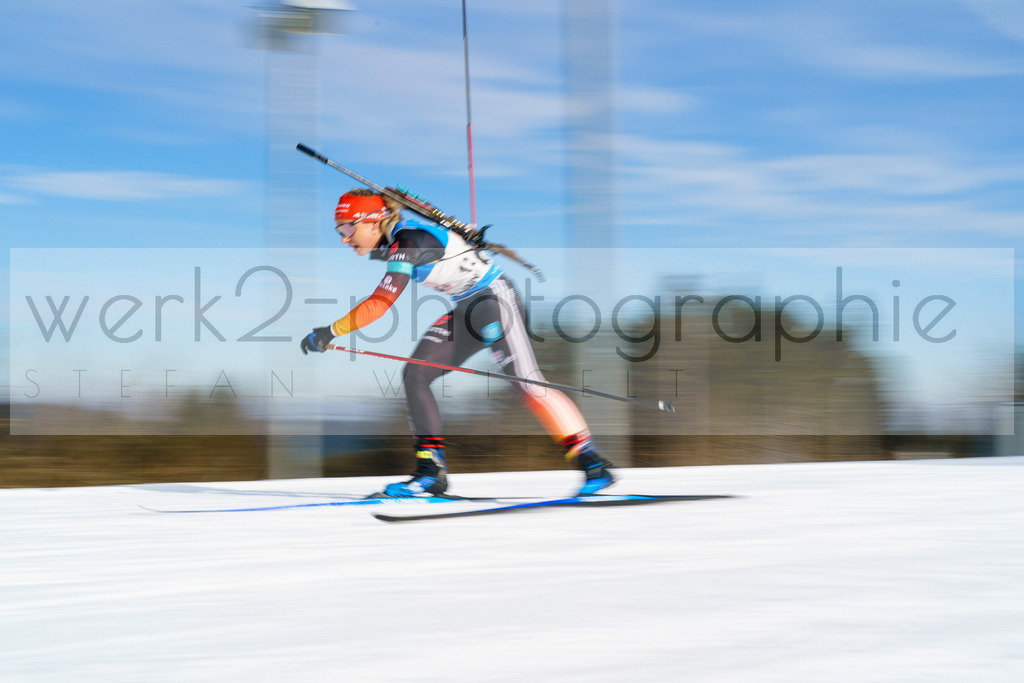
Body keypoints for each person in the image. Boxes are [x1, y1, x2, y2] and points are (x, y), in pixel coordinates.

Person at [300, 188, 614, 497]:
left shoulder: (409, 242)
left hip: (495, 302)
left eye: (347, 227)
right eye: (339, 229)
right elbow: (420, 237)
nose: (343, 238)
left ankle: (592, 462)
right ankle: (430, 472)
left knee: (527, 384)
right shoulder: (402, 237)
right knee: (416, 374)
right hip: (467, 308)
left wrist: (330, 331)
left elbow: (379, 304)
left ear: (372, 221)